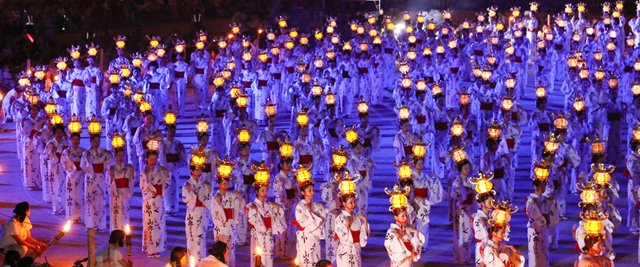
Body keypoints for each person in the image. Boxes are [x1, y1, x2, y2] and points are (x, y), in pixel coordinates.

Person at [246, 162, 287, 267]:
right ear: (257, 191)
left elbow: (280, 214)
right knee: (259, 259)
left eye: (266, 190)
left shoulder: (270, 205)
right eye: (262, 190)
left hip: (268, 235)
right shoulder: (252, 205)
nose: (264, 192)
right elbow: (252, 220)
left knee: (269, 258)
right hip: (258, 235)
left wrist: (277, 207)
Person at [211, 155, 244, 267]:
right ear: (218, 184)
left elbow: (239, 209)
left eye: (227, 183)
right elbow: (215, 213)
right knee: (220, 251)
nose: (226, 185)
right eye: (223, 183)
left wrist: (239, 197)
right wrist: (218, 202)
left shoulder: (232, 196)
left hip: (230, 227)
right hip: (220, 228)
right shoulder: (215, 198)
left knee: (230, 251)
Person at [81, 119, 114, 231]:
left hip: (100, 177)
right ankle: (91, 224)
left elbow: (110, 160)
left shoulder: (103, 152)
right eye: (95, 141)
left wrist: (110, 154)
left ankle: (100, 224)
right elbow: (82, 166)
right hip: (91, 178)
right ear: (91, 141)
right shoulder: (87, 153)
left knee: (100, 200)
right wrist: (90, 166)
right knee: (90, 200)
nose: (97, 143)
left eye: (98, 141)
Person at [140, 138, 170, 258]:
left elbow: (167, 182)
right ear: (147, 159)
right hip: (149, 200)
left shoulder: (160, 170)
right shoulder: (144, 171)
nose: (153, 161)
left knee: (159, 223)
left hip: (158, 200)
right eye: (151, 159)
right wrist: (147, 179)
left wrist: (166, 173)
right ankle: (149, 249)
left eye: (155, 159)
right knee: (150, 223)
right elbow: (143, 186)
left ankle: (158, 247)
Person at [334, 171, 370, 267]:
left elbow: (363, 239)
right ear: (344, 204)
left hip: (356, 251)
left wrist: (365, 221)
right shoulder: (340, 218)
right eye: (350, 202)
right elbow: (342, 237)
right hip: (345, 252)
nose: (353, 204)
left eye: (354, 202)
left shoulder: (357, 218)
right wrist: (346, 225)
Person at [293, 163, 326, 267]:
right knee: (306, 261)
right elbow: (303, 222)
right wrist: (308, 212)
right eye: (309, 190)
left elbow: (322, 219)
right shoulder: (300, 206)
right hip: (305, 237)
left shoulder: (316, 205)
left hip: (315, 237)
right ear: (303, 192)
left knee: (315, 260)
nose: (312, 192)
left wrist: (323, 210)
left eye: (313, 190)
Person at [384, 184, 425, 267]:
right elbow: (390, 249)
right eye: (402, 216)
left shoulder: (406, 230)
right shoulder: (391, 232)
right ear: (395, 217)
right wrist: (403, 257)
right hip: (400, 263)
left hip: (408, 262)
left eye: (406, 215)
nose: (405, 218)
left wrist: (414, 232)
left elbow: (413, 246)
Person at [182, 147, 211, 263]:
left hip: (202, 214)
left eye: (200, 169)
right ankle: (193, 262)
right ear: (191, 170)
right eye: (196, 169)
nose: (198, 171)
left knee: (201, 238)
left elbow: (209, 201)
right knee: (192, 238)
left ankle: (201, 262)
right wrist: (192, 193)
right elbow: (186, 200)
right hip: (192, 214)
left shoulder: (206, 184)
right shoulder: (187, 184)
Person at [481, 201, 525, 267]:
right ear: (494, 233)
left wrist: (515, 251)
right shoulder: (488, 249)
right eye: (502, 232)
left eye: (504, 232)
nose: (504, 235)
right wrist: (497, 256)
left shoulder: (503, 246)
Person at [107, 138, 134, 232]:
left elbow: (130, 180)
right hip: (116, 192)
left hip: (125, 191)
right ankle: (115, 231)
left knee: (125, 212)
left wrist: (130, 189)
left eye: (122, 155)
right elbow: (109, 182)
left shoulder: (127, 168)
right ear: (115, 156)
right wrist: (114, 191)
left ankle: (125, 231)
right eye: (119, 155)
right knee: (116, 212)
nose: (121, 157)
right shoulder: (112, 168)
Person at [61, 123, 86, 223]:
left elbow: (86, 163)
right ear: (70, 140)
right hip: (71, 175)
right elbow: (64, 163)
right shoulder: (67, 151)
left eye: (77, 139)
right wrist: (71, 171)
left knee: (80, 195)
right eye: (74, 139)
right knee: (71, 195)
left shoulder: (83, 151)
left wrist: (82, 170)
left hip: (81, 175)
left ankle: (80, 215)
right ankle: (72, 215)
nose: (75, 141)